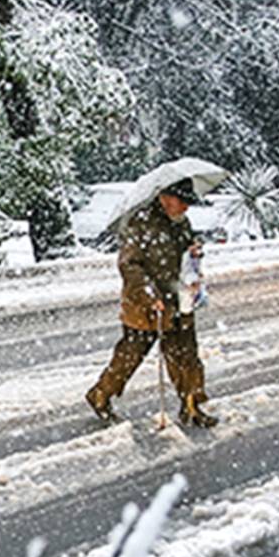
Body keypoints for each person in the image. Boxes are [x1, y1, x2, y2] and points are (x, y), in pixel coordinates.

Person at [85, 182, 217, 428]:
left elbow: (185, 253)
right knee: (130, 356)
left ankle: (192, 405)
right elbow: (129, 265)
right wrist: (149, 294)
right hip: (146, 305)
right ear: (166, 198)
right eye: (183, 201)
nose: (187, 207)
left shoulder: (181, 222)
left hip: (179, 299)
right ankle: (101, 394)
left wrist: (194, 251)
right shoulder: (140, 223)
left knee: (187, 356)